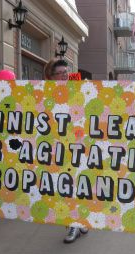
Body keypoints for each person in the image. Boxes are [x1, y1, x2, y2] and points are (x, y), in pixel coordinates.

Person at [44, 58, 89, 243]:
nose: (64, 76)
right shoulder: (44, 94)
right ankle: (73, 224)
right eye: (60, 73)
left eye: (66, 73)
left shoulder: (77, 90)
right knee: (63, 188)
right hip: (56, 148)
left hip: (77, 146)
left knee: (78, 185)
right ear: (51, 76)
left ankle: (78, 222)